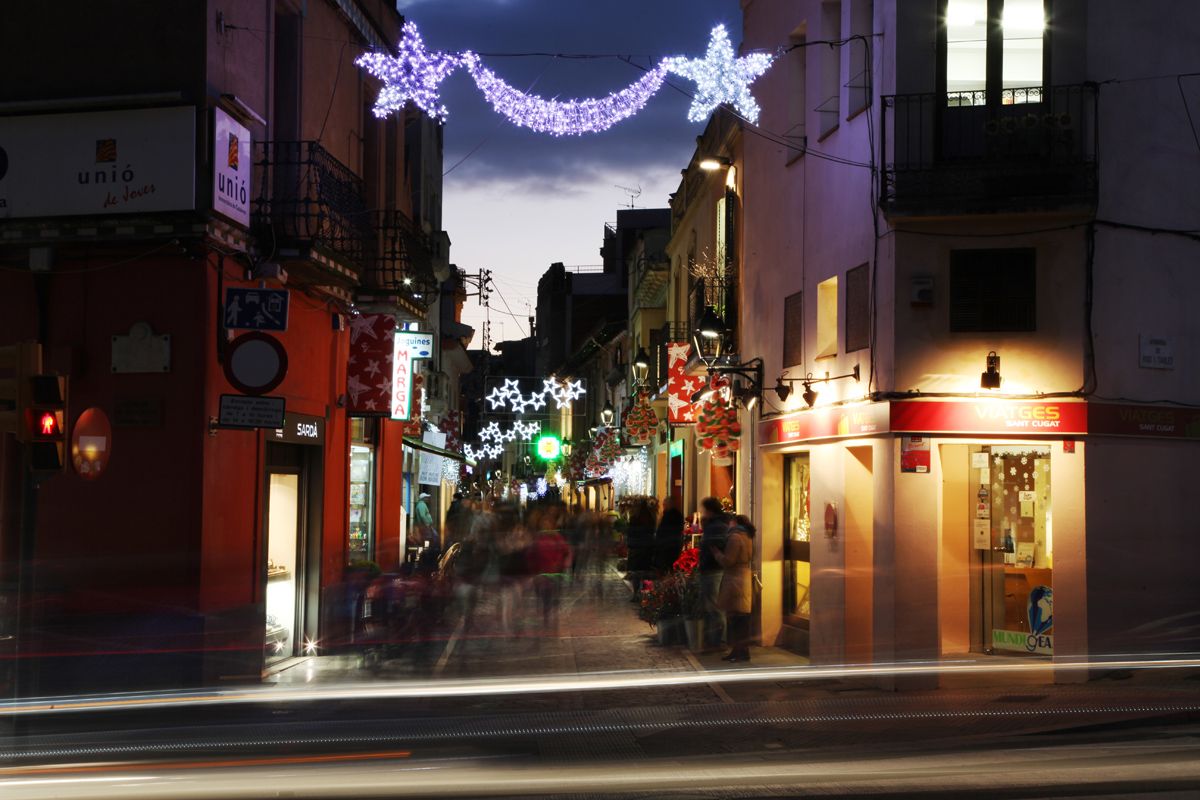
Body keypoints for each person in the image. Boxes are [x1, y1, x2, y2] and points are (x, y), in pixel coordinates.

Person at [711, 514, 755, 662]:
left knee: (736, 617)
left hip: (735, 579)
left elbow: (728, 561)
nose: (728, 524)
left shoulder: (735, 537)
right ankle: (740, 650)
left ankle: (739, 651)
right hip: (743, 578)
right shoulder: (747, 536)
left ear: (735, 522)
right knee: (741, 617)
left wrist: (717, 554)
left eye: (730, 521)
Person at [697, 496, 730, 650]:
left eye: (704, 509)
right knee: (710, 606)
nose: (702, 512)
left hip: (713, 570)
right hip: (710, 568)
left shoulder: (717, 526)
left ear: (710, 510)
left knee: (714, 607)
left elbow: (715, 546)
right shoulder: (715, 524)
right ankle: (713, 640)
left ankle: (718, 641)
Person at [653, 496, 685, 574]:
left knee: (664, 567)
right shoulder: (678, 515)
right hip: (675, 544)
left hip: (666, 546)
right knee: (671, 566)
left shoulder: (668, 515)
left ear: (669, 504)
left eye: (664, 505)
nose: (663, 506)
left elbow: (662, 531)